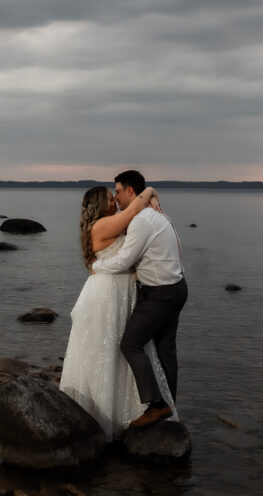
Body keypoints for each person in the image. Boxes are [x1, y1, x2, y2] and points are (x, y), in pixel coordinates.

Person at [59, 183, 176, 440]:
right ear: (100, 205)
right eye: (110, 199)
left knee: (120, 349)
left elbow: (136, 218)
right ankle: (108, 414)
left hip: (120, 290)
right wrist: (151, 191)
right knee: (109, 348)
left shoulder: (109, 223)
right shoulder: (101, 225)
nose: (115, 201)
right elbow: (134, 209)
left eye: (115, 197)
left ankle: (130, 408)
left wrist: (149, 201)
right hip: (107, 293)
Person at [91, 169, 187, 428]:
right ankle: (169, 407)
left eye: (118, 191)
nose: (116, 197)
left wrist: (96, 267)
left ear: (130, 191)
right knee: (166, 351)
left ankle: (157, 405)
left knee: (130, 345)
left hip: (161, 293)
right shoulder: (157, 213)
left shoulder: (142, 220)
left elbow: (125, 260)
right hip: (177, 287)